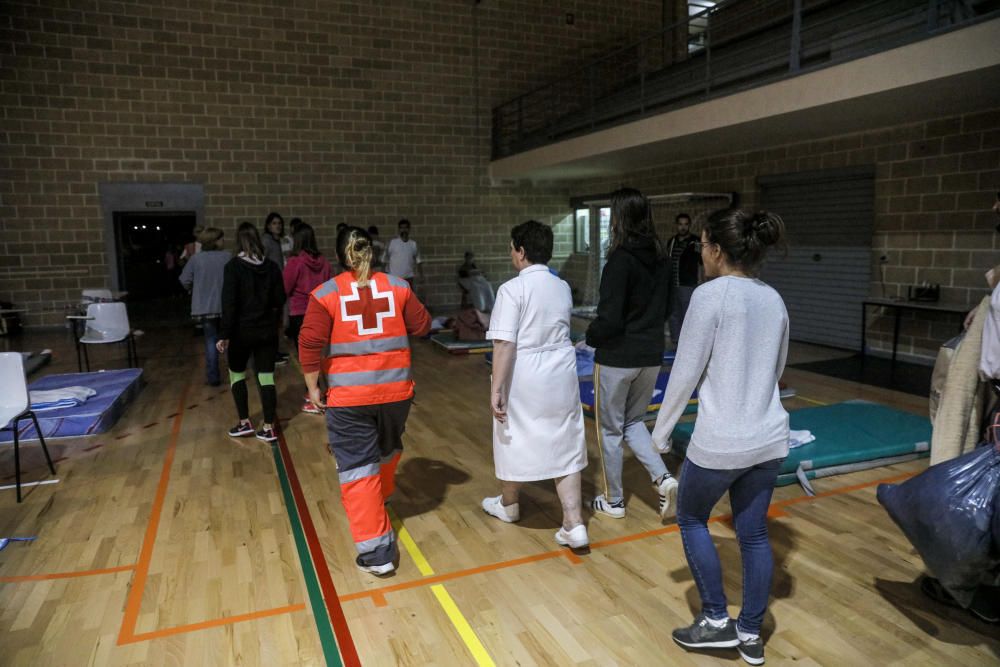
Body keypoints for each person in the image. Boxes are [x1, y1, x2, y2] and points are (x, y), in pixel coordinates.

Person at [651, 208, 789, 666]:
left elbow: (685, 371)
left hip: (722, 441)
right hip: (768, 437)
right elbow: (777, 368)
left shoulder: (709, 297)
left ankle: (714, 621)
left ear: (715, 250)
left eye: (704, 245)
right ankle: (750, 634)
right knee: (752, 533)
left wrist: (661, 434)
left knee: (691, 518)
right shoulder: (772, 298)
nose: (701, 254)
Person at [298, 226, 431, 576]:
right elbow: (422, 326)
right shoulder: (399, 286)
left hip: (349, 399)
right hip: (396, 393)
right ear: (372, 251)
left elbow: (309, 343)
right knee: (387, 446)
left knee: (357, 469)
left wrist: (313, 387)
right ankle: (383, 493)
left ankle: (377, 554)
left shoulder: (326, 293)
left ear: (340, 256)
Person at [481, 221, 589, 550]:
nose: (510, 252)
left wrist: (496, 388)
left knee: (509, 433)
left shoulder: (512, 290)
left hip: (526, 371)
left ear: (522, 251)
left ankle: (509, 504)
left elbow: (504, 345)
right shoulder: (562, 287)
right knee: (566, 439)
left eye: (512, 247)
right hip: (561, 370)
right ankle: (573, 522)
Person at [585, 187, 676, 521]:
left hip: (617, 357)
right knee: (634, 422)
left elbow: (609, 319)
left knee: (609, 430)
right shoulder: (663, 260)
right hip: (651, 354)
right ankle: (663, 478)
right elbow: (669, 307)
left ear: (619, 218)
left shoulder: (620, 261)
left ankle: (614, 501)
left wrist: (589, 337)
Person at [217, 222, 286, 442]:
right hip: (266, 332)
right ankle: (268, 426)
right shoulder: (273, 267)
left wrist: (223, 334)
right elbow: (280, 299)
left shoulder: (233, 267)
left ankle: (245, 422)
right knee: (266, 377)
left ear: (238, 241)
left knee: (237, 374)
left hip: (241, 333)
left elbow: (229, 305)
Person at [283, 222, 332, 414]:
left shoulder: (295, 262)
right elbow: (330, 287)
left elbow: (285, 287)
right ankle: (321, 392)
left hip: (300, 313)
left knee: (306, 358)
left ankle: (314, 396)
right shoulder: (325, 262)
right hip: (321, 312)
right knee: (320, 355)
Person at [179, 228, 231, 386]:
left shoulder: (196, 259)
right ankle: (235, 374)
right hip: (225, 305)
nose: (224, 241)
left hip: (205, 308)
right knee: (229, 340)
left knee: (210, 341)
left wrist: (193, 288)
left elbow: (184, 279)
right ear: (215, 241)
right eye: (222, 239)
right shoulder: (227, 257)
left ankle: (213, 377)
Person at [666, 213, 700, 345]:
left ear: (689, 225)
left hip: (688, 285)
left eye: (686, 224)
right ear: (676, 225)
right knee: (673, 314)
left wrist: (700, 283)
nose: (683, 227)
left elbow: (701, 262)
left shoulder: (695, 242)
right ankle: (676, 341)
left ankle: (689, 343)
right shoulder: (672, 242)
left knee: (688, 314)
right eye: (680, 224)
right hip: (673, 284)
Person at [262, 211, 290, 364]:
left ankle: (275, 351)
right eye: (274, 223)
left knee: (277, 323)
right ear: (268, 225)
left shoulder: (278, 241)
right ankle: (270, 355)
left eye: (279, 223)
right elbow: (262, 261)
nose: (277, 226)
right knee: (272, 322)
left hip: (279, 284)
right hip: (271, 286)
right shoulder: (266, 241)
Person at [383, 218, 423, 289]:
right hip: (394, 278)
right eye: (401, 228)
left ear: (409, 229)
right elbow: (384, 259)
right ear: (399, 230)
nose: (404, 230)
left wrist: (421, 275)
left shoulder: (413, 244)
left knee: (408, 299)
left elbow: (418, 261)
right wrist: (383, 275)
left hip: (409, 278)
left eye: (406, 228)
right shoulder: (392, 243)